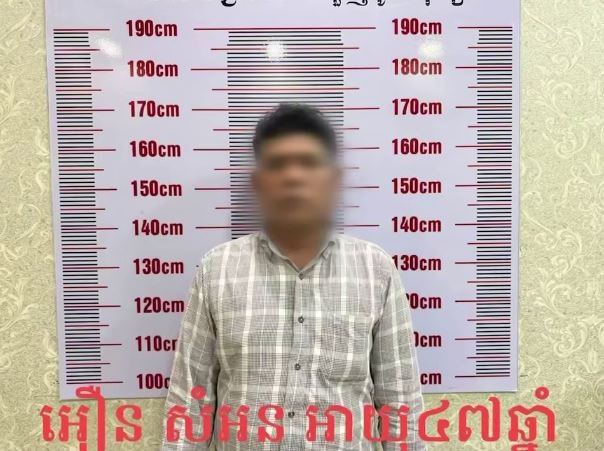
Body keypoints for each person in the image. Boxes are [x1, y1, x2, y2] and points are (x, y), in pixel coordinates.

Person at [162, 104, 425, 450]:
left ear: (333, 180)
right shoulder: (217, 269)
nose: (293, 177)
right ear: (258, 183)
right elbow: (189, 403)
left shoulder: (375, 270)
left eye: (309, 162)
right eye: (277, 164)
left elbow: (400, 402)